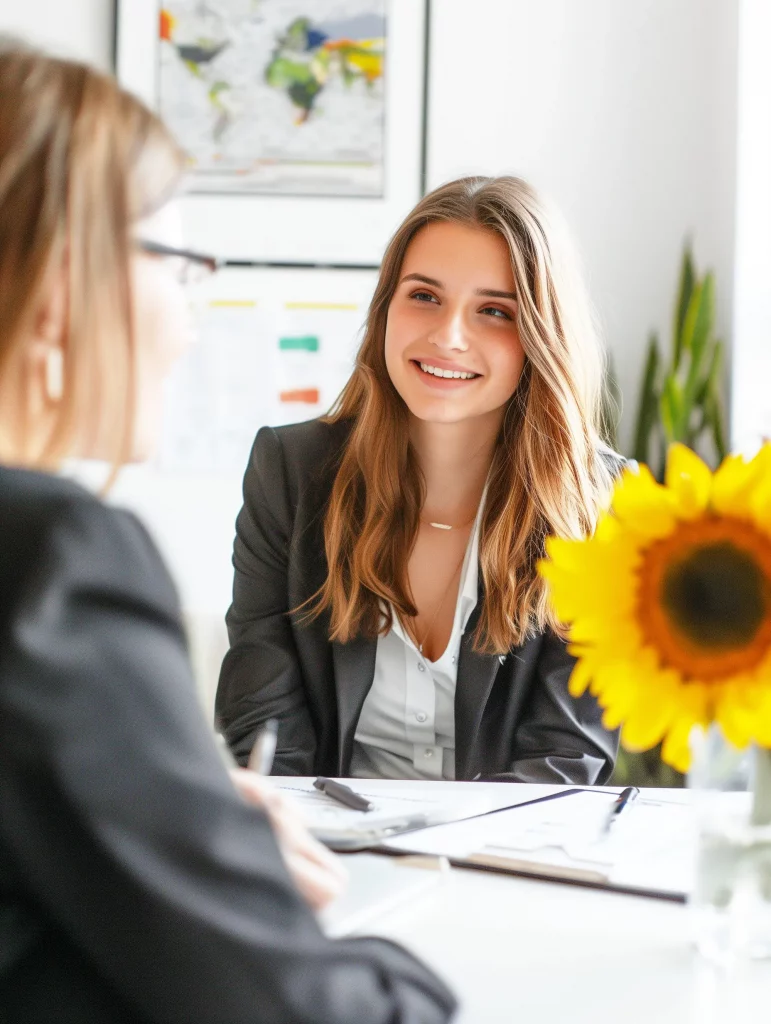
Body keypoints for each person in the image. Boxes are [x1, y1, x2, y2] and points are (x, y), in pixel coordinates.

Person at [0, 42, 455, 1023]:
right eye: (180, 263)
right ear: (61, 282)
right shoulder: (51, 560)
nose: (192, 317)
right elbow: (289, 1007)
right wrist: (425, 974)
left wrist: (180, 827)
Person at [217, 175, 622, 784]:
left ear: (541, 337)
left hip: (505, 856)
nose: (448, 336)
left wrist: (457, 865)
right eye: (424, 296)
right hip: (328, 850)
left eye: (494, 311)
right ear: (386, 309)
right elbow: (266, 724)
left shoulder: (603, 507)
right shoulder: (289, 471)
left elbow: (564, 757)